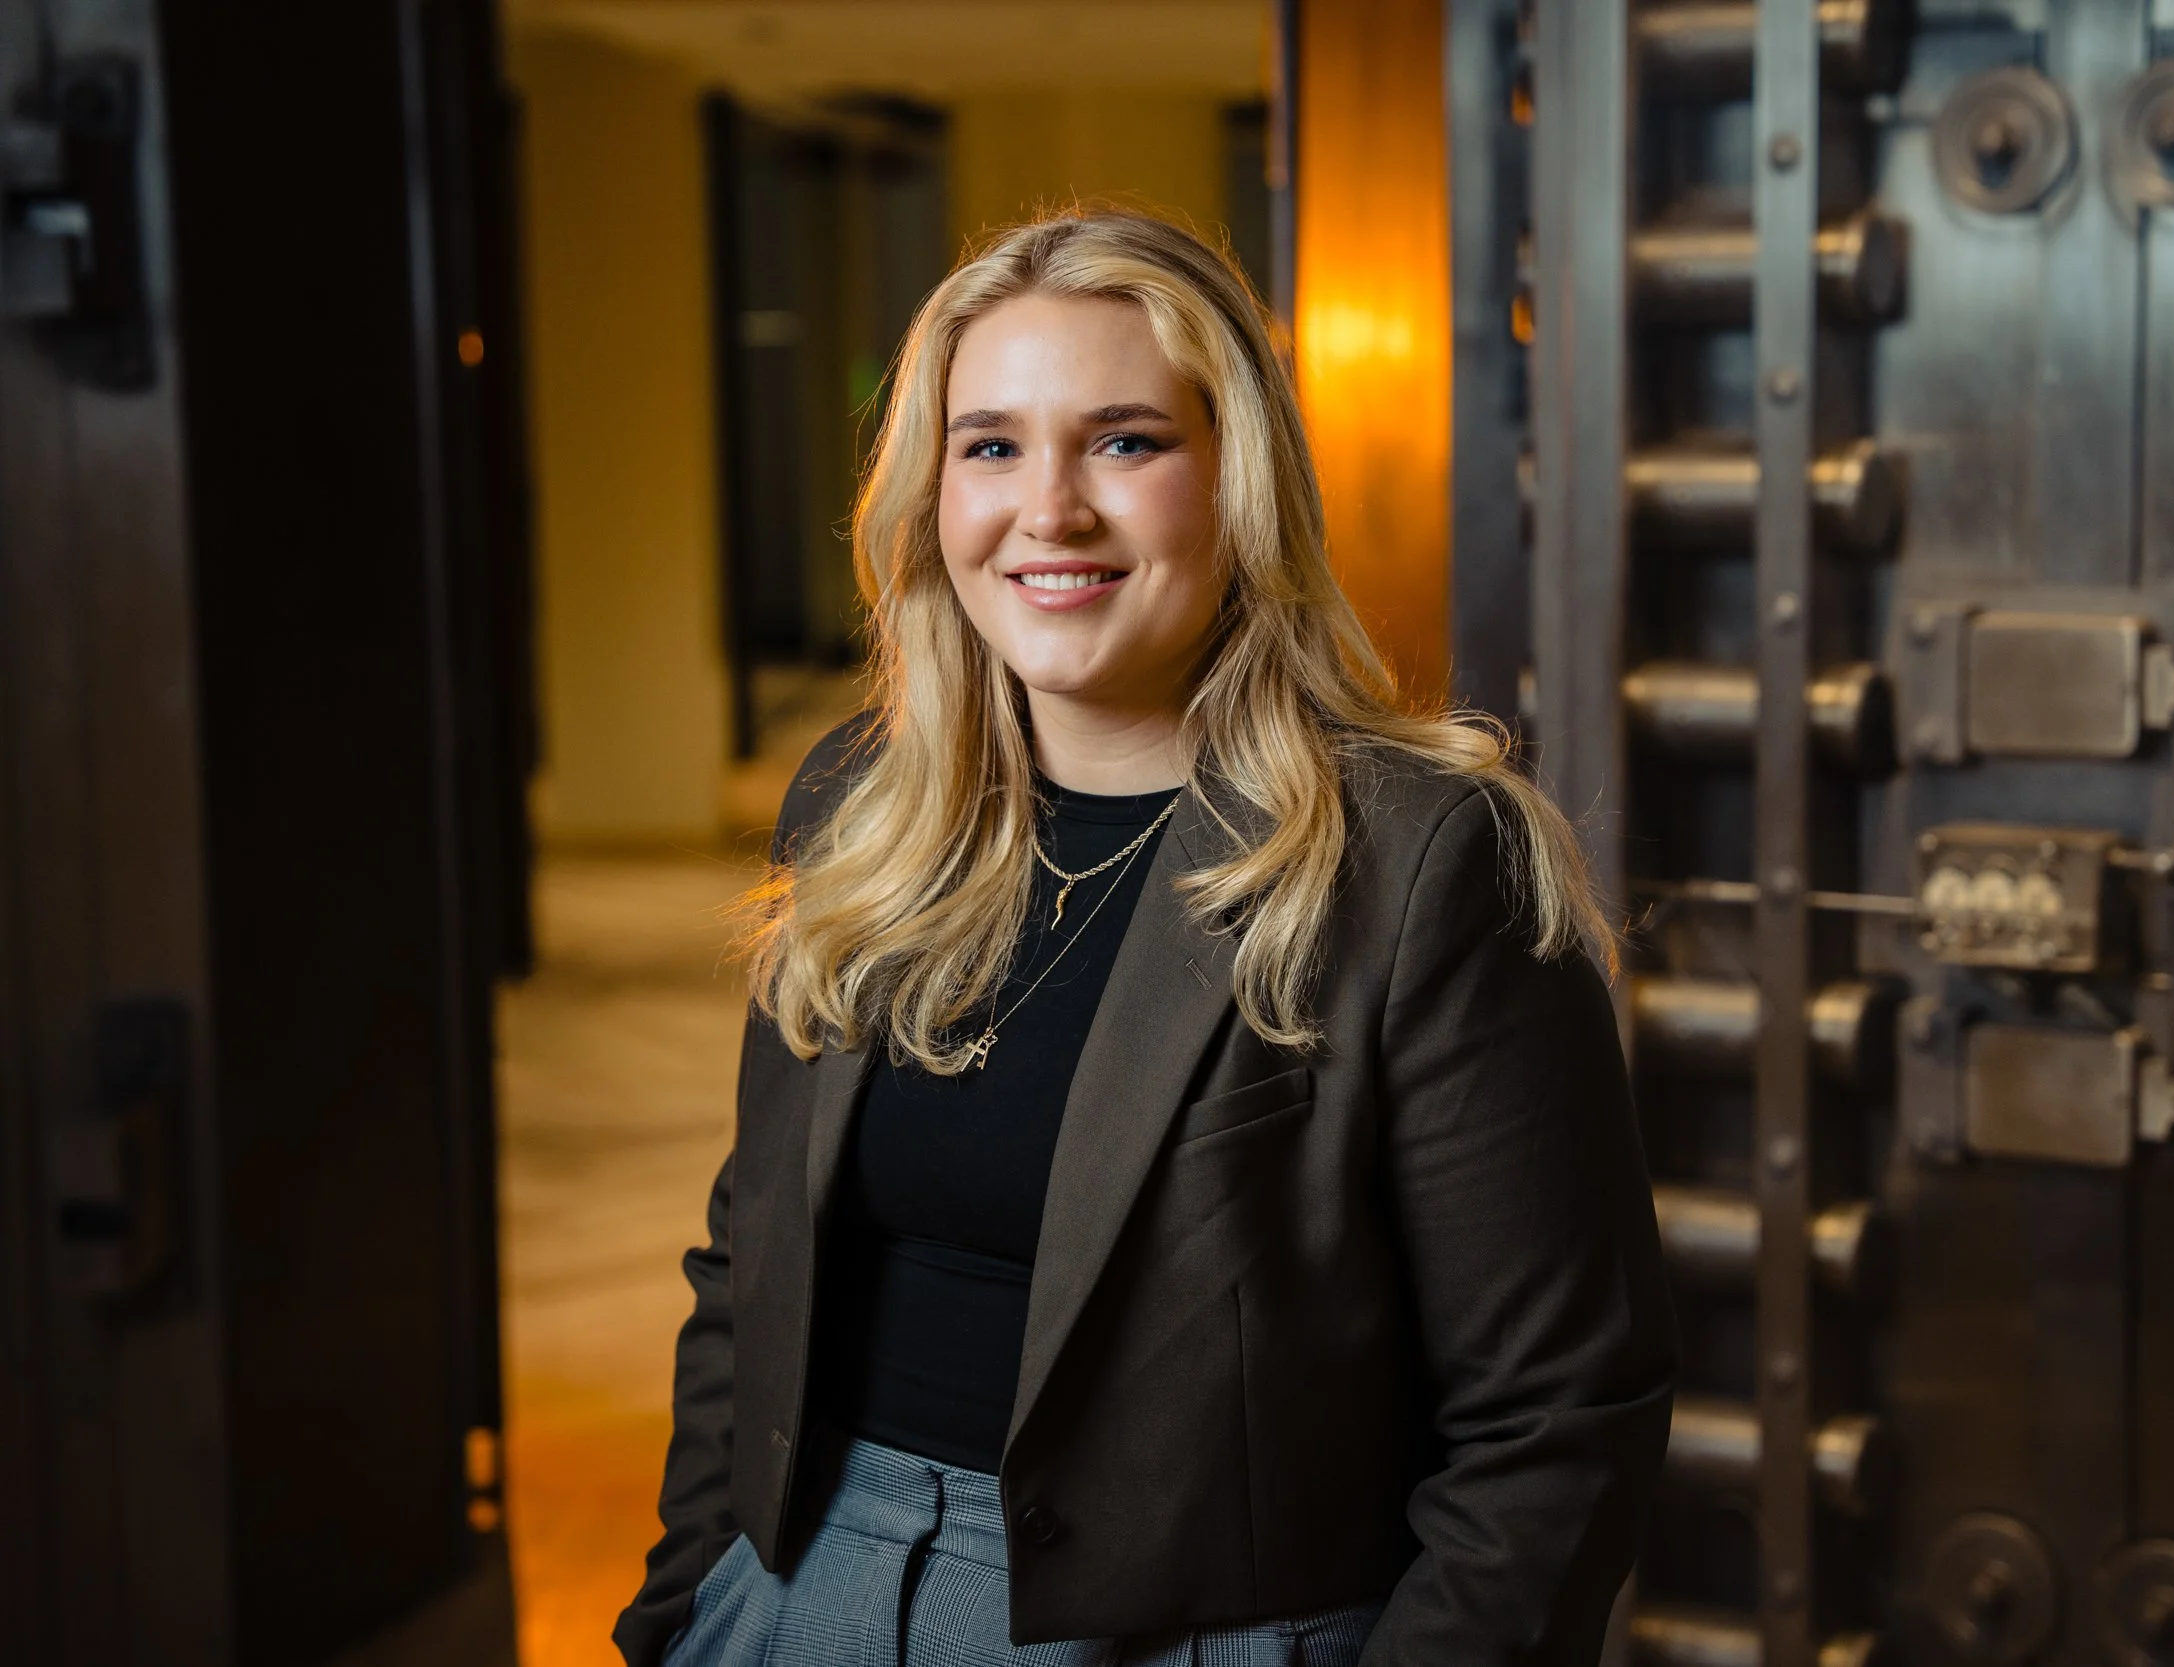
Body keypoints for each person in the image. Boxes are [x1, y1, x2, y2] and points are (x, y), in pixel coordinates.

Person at [615, 208, 1676, 1667]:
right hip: (800, 1590)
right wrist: (687, 1606)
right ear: (932, 496)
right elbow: (748, 1264)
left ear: (1240, 485)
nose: (1048, 511)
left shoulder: (1425, 859)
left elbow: (1556, 1423)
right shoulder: (855, 806)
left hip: (1200, 1631)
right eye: (991, 446)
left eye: (1125, 442)